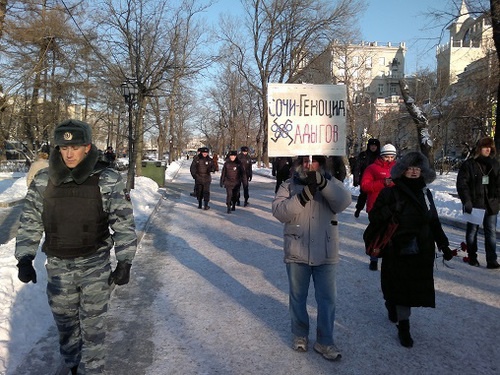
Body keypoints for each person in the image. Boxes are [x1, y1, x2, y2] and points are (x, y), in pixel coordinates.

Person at [15, 119, 137, 374]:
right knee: (66, 326)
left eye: (75, 147)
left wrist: (125, 261)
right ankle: (71, 366)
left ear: (87, 147)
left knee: (93, 328)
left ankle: (92, 370)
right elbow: (30, 221)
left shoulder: (106, 178)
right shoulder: (44, 180)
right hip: (59, 268)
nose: (69, 153)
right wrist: (24, 258)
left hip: (94, 265)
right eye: (63, 148)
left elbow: (123, 222)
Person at [368, 152, 453, 348]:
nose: (414, 172)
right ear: (403, 170)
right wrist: (391, 210)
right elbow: (374, 217)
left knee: (412, 288)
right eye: (410, 168)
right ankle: (403, 326)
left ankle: (394, 305)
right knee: (400, 288)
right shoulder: (391, 191)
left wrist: (444, 244)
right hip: (397, 248)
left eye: (418, 168)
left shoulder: (425, 192)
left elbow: (433, 220)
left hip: (421, 249)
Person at [272, 155, 352, 361]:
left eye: (314, 161)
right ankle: (300, 334)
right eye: (306, 161)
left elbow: (343, 202)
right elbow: (279, 211)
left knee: (327, 299)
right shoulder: (289, 185)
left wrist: (323, 184)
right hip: (297, 249)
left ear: (322, 163)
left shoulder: (332, 182)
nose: (309, 165)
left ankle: (325, 341)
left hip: (326, 250)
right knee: (298, 297)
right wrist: (302, 197)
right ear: (299, 163)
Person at [456, 137, 500, 269]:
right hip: (475, 203)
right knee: (472, 231)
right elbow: (462, 184)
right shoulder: (470, 164)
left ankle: (492, 259)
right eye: (485, 147)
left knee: (491, 231)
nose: (488, 150)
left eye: (490, 147)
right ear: (479, 148)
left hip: (491, 204)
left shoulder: (495, 164)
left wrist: (497, 198)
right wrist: (467, 200)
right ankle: (472, 256)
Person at [361, 143, 397, 271]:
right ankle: (374, 258)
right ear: (381, 156)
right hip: (375, 206)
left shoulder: (398, 168)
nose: (389, 159)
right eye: (387, 157)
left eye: (392, 157)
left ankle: (390, 259)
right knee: (376, 234)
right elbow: (365, 186)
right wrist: (383, 183)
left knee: (391, 234)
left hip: (392, 207)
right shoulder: (372, 168)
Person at [353, 138, 380, 217]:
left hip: (376, 180)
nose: (373, 147)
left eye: (375, 146)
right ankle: (358, 209)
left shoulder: (380, 156)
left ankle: (374, 212)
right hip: (365, 179)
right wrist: (356, 179)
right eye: (372, 145)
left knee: (376, 197)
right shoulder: (363, 155)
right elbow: (357, 167)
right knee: (363, 195)